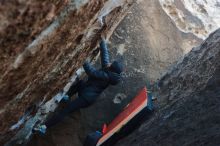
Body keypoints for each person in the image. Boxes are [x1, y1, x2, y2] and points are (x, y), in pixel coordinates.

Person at [33, 39, 123, 134]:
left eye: (111, 64)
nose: (109, 63)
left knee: (65, 111)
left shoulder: (105, 76)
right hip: (87, 90)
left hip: (86, 99)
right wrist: (102, 41)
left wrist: (83, 59)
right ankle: (67, 97)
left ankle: (44, 127)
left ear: (111, 69)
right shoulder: (109, 71)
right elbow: (105, 57)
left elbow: (91, 72)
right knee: (79, 83)